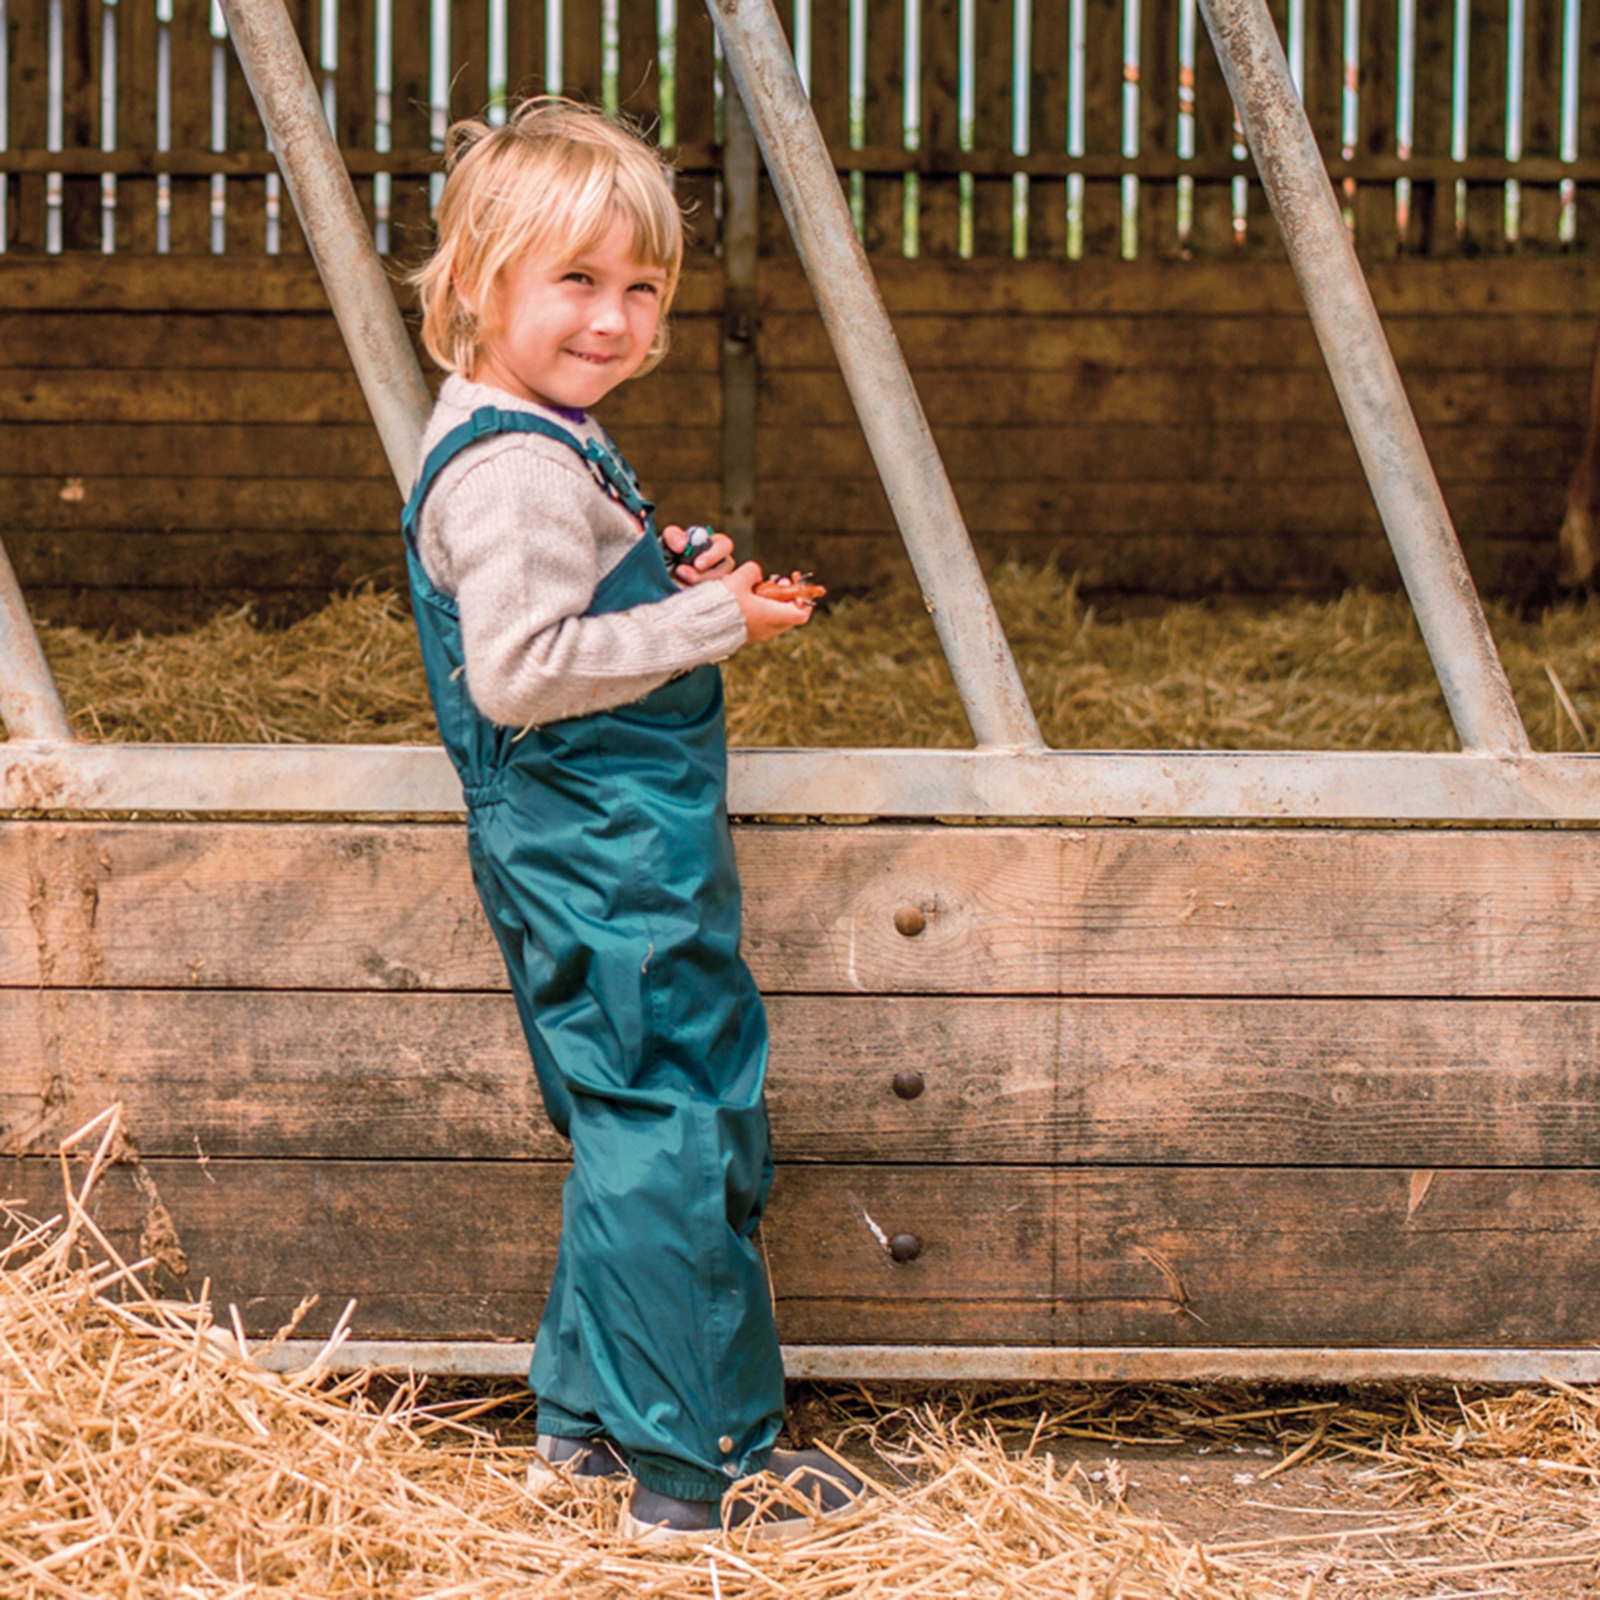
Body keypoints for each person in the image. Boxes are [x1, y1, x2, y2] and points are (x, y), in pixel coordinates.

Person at [402, 97, 863, 1543]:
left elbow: (568, 598)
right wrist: (716, 625)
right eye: (576, 281)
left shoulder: (543, 436)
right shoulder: (516, 469)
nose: (613, 319)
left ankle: (590, 1427)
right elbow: (522, 669)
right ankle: (700, 1464)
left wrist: (666, 575)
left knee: (630, 1120)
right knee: (675, 1121)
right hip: (598, 844)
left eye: (642, 287)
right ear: (479, 281)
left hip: (602, 839)